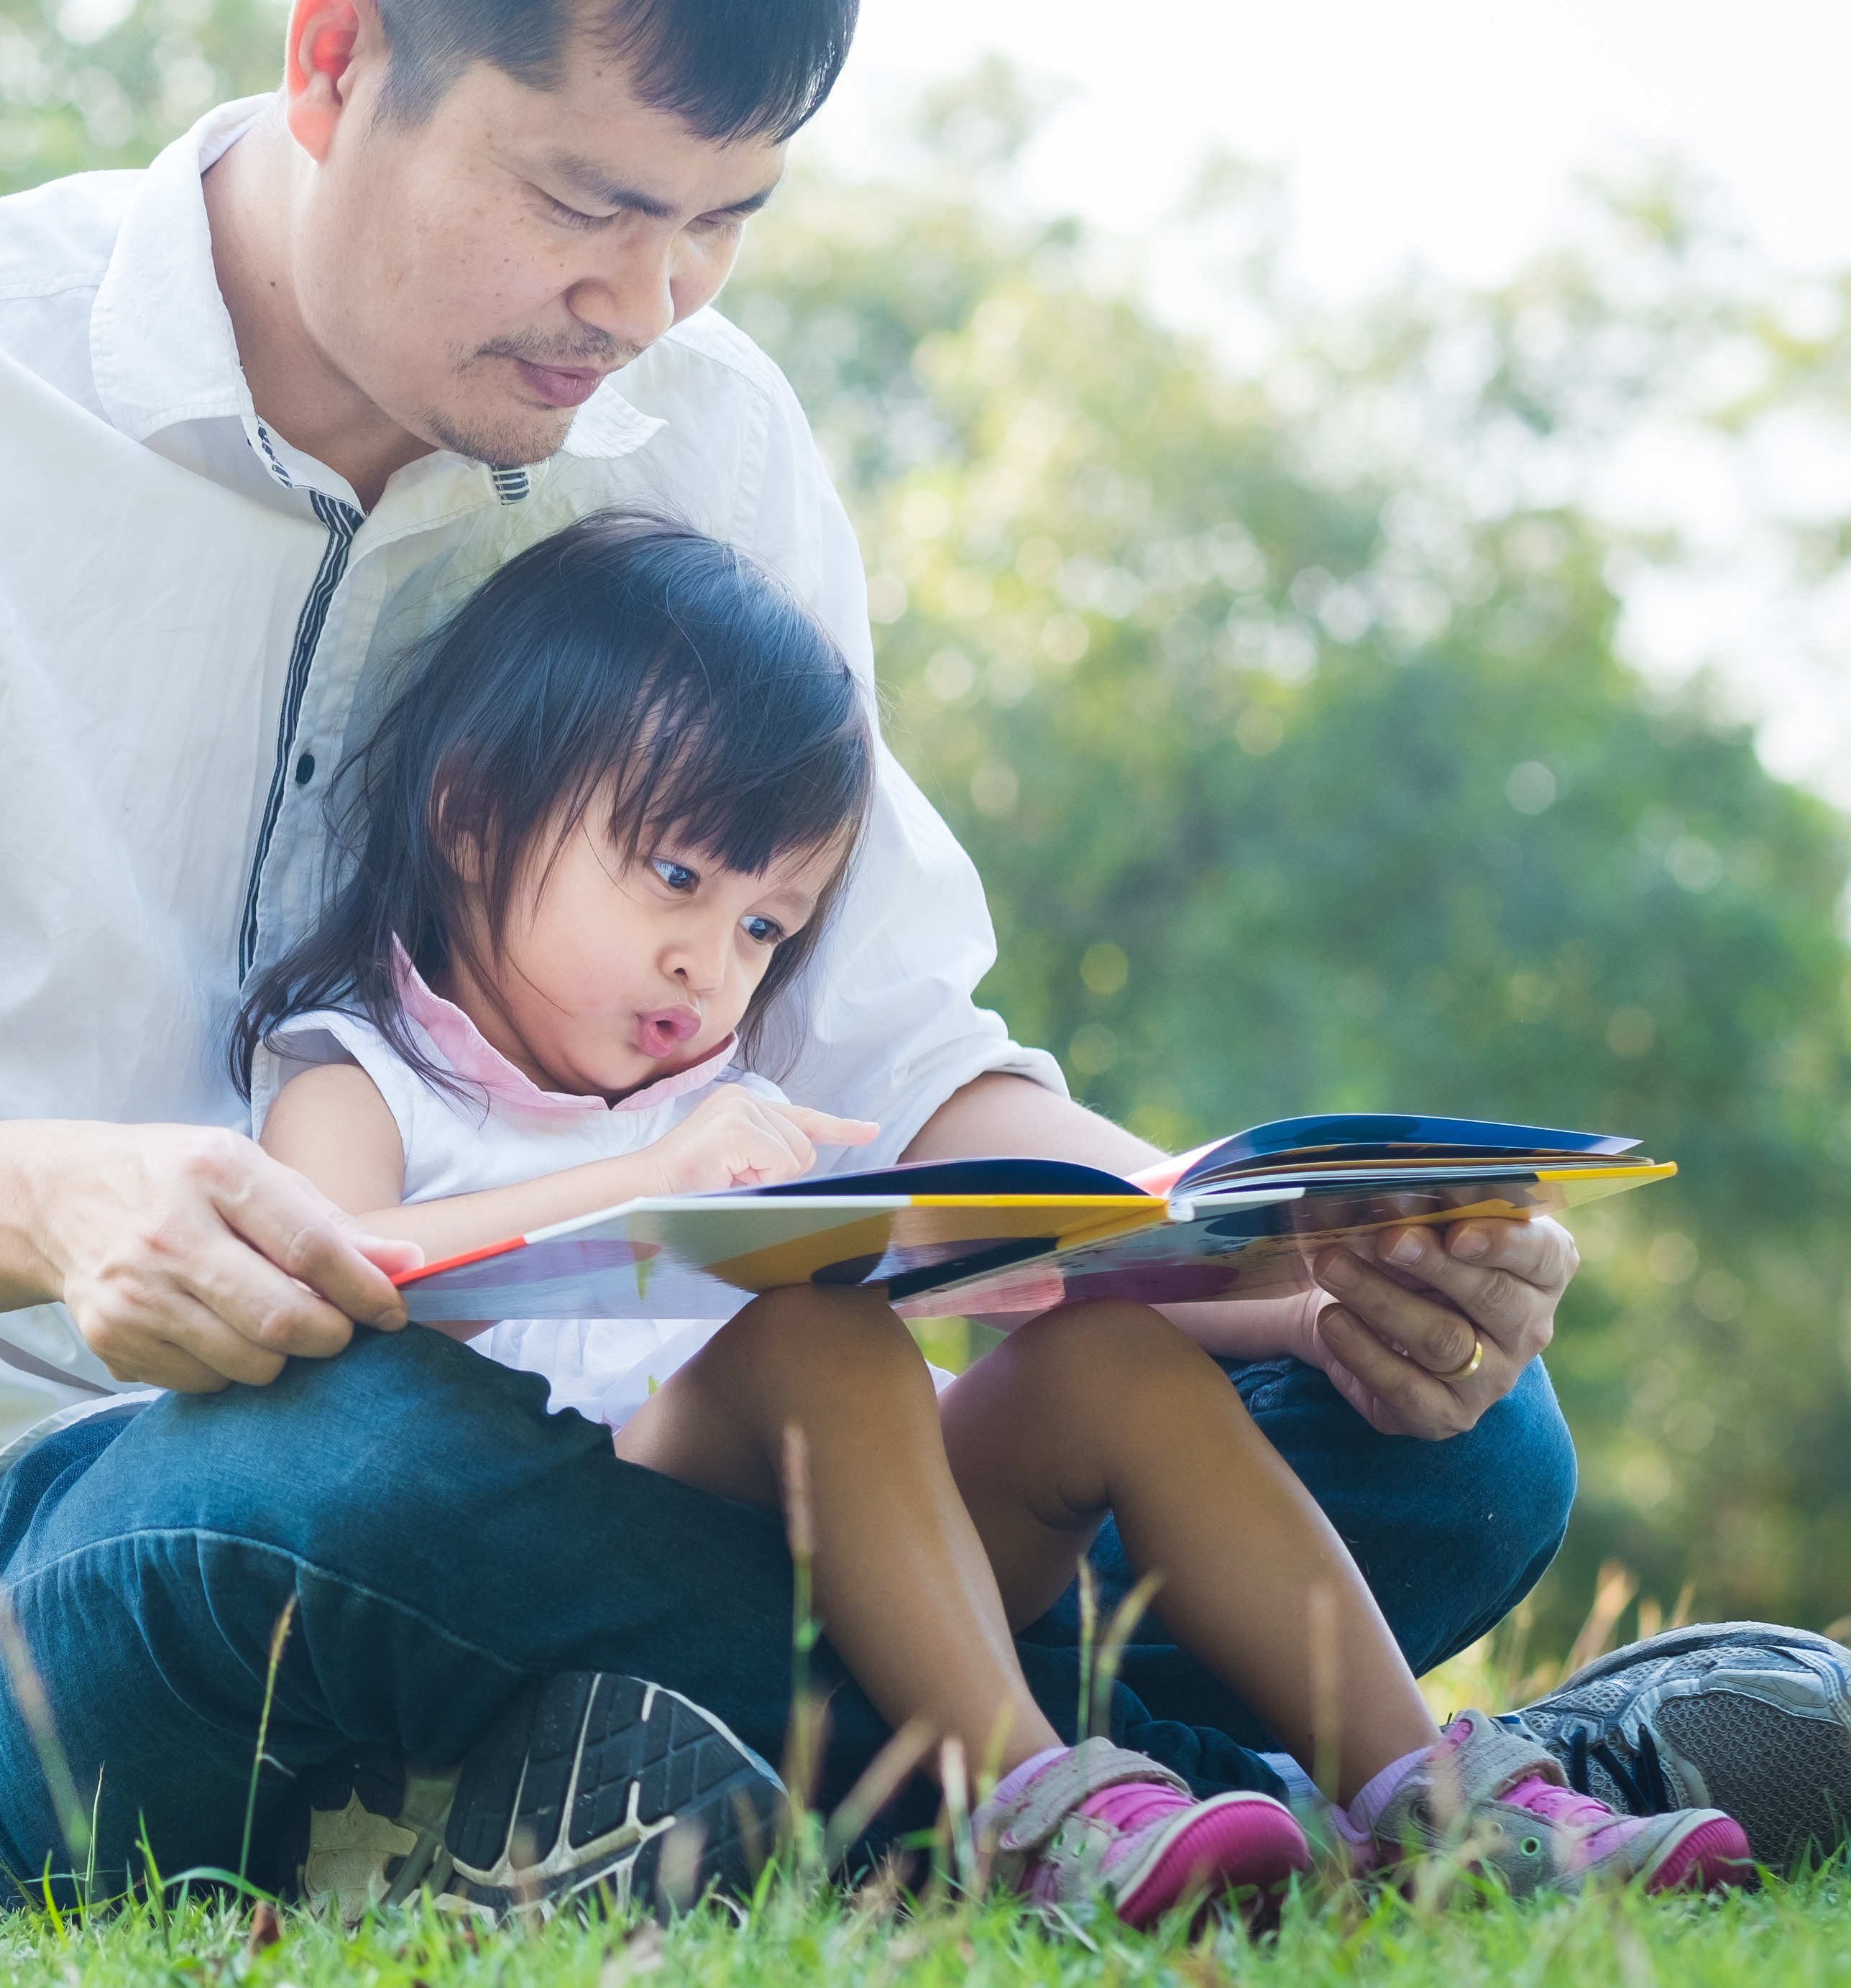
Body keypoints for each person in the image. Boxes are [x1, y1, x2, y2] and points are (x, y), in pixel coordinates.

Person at [0, 0, 1851, 1910]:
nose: (651, 305)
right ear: (334, 60)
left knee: (1456, 1455)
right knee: (350, 1485)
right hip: (95, 1542)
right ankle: (1385, 1776)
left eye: (728, 219)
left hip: (724, 1484)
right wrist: (79, 1208)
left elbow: (901, 1070)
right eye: (588, 202)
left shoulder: (705, 438)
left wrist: (1274, 1272)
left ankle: (685, 1800)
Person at [240, 509, 1753, 1915]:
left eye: (764, 923)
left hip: (868, 1562)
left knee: (1104, 1353)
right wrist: (647, 1180)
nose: (711, 960)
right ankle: (1035, 1803)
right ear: (471, 815)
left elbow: (980, 1267)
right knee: (813, 1340)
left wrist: (1315, 1304)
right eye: (677, 875)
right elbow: (328, 1270)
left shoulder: (732, 1091)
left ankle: (1436, 1789)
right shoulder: (360, 1073)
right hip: (598, 1560)